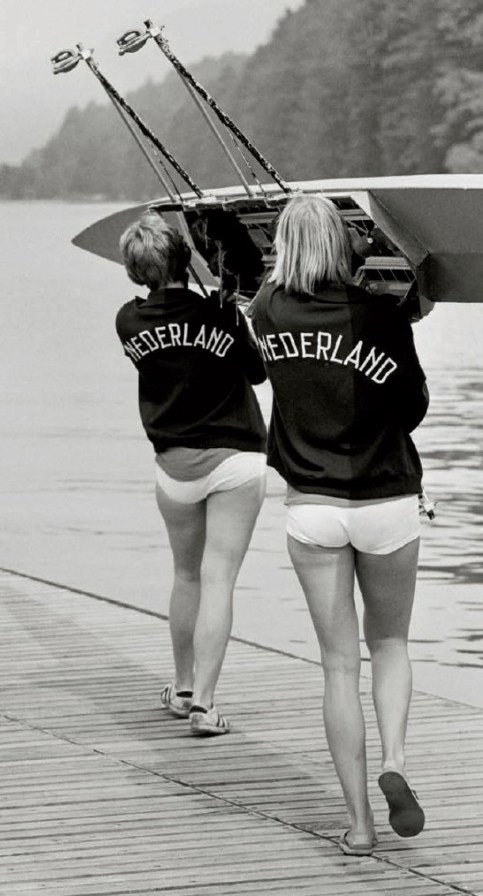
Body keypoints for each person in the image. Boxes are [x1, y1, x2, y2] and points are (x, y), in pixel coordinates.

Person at [250, 194, 429, 855]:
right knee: (390, 644)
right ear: (343, 245)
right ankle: (395, 761)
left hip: (313, 506)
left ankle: (358, 825)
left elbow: (259, 290)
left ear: (283, 247)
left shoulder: (266, 312)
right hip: (384, 501)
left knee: (336, 666)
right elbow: (412, 409)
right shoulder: (380, 315)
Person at [116, 211, 267, 736]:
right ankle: (205, 703)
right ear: (185, 259)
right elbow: (257, 372)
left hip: (175, 465)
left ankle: (182, 688)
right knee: (218, 579)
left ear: (136, 271)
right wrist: (233, 313)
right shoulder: (220, 313)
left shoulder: (128, 321)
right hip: (235, 458)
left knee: (186, 575)